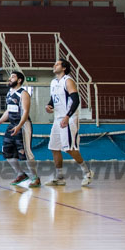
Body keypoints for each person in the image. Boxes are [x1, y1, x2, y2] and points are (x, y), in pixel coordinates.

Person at [46, 59, 94, 187]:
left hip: (68, 118)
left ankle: (87, 172)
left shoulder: (68, 80)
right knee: (54, 147)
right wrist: (49, 106)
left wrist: (67, 116)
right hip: (57, 118)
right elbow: (53, 99)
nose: (54, 65)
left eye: (57, 64)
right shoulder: (53, 82)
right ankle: (60, 177)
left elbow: (76, 100)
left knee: (69, 148)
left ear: (64, 68)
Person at [0, 70, 39, 187]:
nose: (9, 79)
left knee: (26, 153)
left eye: (12, 77)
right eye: (10, 77)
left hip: (23, 125)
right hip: (12, 125)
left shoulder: (23, 94)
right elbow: (8, 111)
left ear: (19, 80)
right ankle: (20, 174)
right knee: (6, 151)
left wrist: (19, 126)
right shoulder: (9, 93)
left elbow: (25, 112)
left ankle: (35, 178)